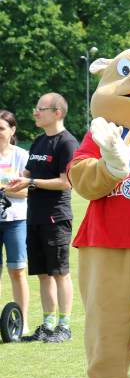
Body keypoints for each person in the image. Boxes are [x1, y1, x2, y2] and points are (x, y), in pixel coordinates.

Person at [8, 94, 79, 343]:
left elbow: (65, 182)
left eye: (41, 109)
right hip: (33, 217)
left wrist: (30, 182)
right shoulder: (39, 142)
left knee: (60, 272)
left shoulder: (67, 143)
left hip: (55, 218)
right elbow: (23, 175)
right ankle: (48, 325)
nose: (36, 113)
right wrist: (10, 183)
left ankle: (64, 325)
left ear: (57, 112)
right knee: (43, 274)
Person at [0, 110, 29, 335]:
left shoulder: (21, 155)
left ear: (12, 131)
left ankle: (22, 321)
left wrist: (6, 189)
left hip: (16, 220)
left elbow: (29, 190)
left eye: (1, 128)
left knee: (17, 271)